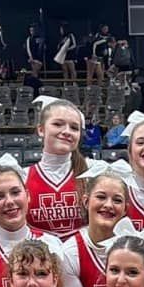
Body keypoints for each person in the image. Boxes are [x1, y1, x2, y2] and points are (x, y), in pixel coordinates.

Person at [62, 168, 137, 287]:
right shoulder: (70, 252)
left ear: (125, 209)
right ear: (86, 201)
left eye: (117, 200)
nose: (108, 205)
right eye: (101, 197)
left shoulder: (138, 248)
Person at [23, 97, 86, 239]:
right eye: (58, 124)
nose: (67, 131)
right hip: (38, 257)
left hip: (81, 258)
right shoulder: (22, 177)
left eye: (74, 128)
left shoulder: (92, 174)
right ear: (41, 129)